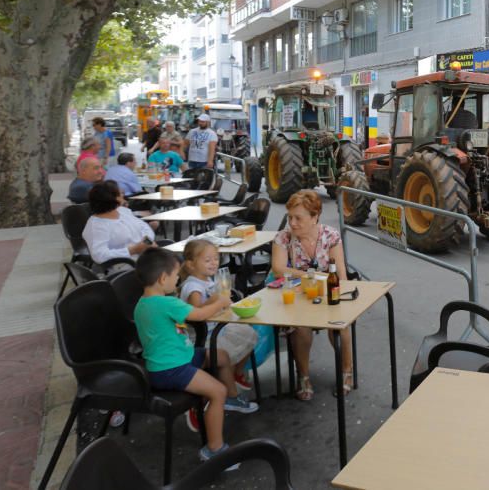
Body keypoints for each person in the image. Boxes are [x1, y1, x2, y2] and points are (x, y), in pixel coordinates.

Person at [133, 249, 257, 467]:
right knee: (216, 391)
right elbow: (198, 315)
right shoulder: (166, 303)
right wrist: (221, 302)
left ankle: (230, 398)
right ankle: (215, 450)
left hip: (169, 360)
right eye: (175, 276)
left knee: (220, 356)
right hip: (171, 369)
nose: (177, 280)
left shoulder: (142, 303)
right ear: (163, 278)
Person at [270, 190, 353, 401]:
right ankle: (303, 377)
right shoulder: (283, 237)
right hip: (299, 298)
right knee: (301, 328)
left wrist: (342, 294)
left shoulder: (330, 235)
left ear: (315, 217)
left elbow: (340, 271)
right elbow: (278, 269)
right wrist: (312, 274)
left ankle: (347, 371)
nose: (292, 223)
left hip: (327, 294)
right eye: (290, 217)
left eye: (298, 218)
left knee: (339, 324)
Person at [180, 240, 259, 394]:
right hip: (202, 337)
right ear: (191, 264)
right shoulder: (193, 287)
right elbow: (196, 312)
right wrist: (216, 300)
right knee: (229, 351)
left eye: (216, 258)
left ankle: (236, 372)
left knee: (251, 333)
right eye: (207, 260)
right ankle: (228, 383)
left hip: (216, 326)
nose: (213, 263)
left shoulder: (207, 279)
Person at [82, 181, 157, 265]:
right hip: (127, 266)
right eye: (119, 192)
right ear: (111, 199)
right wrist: (133, 250)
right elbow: (99, 255)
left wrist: (147, 241)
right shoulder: (97, 226)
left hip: (145, 257)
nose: (122, 193)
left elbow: (144, 227)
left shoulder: (122, 211)